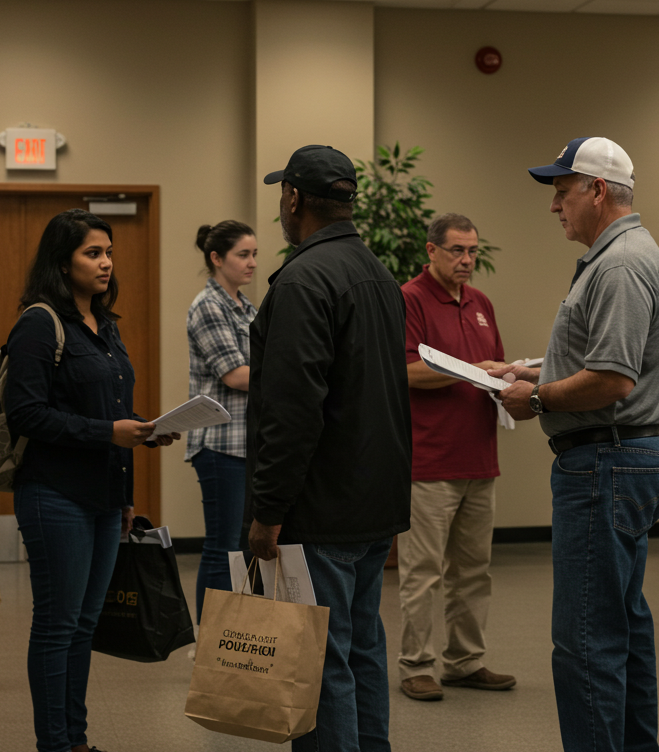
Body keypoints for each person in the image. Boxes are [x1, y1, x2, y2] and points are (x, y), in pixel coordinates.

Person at [491, 136, 659, 752]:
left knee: (586, 640)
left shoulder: (619, 264)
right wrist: (528, 371)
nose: (554, 206)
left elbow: (613, 380)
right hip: (624, 460)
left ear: (598, 191)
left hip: (606, 462)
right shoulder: (623, 256)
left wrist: (537, 399)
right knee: (622, 626)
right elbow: (606, 358)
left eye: (562, 191)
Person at [245, 144, 412, 752]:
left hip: (319, 508)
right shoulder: (380, 276)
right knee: (362, 646)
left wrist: (268, 511)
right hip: (373, 503)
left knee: (318, 661)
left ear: (293, 198)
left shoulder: (302, 281)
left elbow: (293, 411)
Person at [4, 209, 177, 752]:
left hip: (104, 497)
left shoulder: (107, 324)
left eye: (109, 253)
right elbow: (26, 414)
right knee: (57, 626)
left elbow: (111, 410)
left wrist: (141, 438)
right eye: (92, 253)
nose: (106, 263)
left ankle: (75, 741)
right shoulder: (39, 323)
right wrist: (110, 432)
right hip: (54, 494)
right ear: (63, 262)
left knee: (84, 625)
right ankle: (55, 744)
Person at [397, 212, 515, 702]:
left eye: (473, 251)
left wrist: (508, 377)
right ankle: (416, 665)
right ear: (431, 251)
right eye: (457, 251)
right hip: (430, 462)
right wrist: (471, 369)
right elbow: (404, 369)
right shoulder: (409, 299)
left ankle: (465, 661)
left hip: (479, 458)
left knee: (473, 571)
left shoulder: (481, 303)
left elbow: (493, 367)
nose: (467, 260)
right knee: (423, 573)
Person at [185, 220, 257, 623]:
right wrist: (291, 374)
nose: (252, 263)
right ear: (216, 258)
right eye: (243, 255)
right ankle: (208, 641)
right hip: (219, 445)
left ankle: (234, 639)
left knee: (245, 548)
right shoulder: (208, 306)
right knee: (222, 547)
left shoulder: (247, 307)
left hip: (247, 444)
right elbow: (235, 375)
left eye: (254, 254)